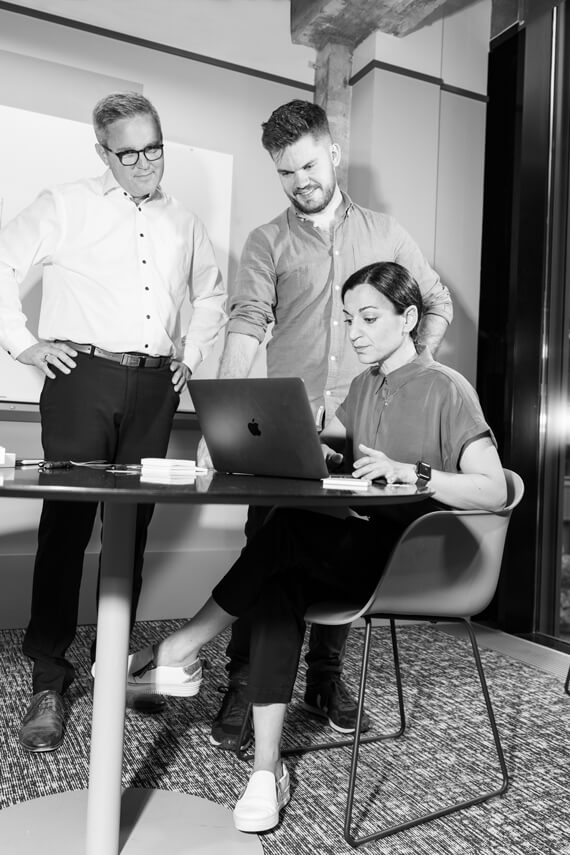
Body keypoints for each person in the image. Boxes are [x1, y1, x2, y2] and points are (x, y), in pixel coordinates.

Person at [127, 261, 506, 833]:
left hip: (415, 561)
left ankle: (181, 647)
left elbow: (494, 488)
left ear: (408, 318)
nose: (354, 331)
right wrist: (306, 443)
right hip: (358, 549)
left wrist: (415, 473)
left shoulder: (448, 389)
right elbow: (347, 448)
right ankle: (265, 769)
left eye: (369, 318)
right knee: (281, 577)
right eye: (349, 318)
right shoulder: (363, 384)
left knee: (286, 532)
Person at [199, 99, 454, 751]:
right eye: (286, 173)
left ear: (333, 152)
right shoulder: (267, 240)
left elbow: (436, 300)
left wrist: (412, 368)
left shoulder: (388, 234)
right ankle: (246, 676)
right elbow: (247, 320)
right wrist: (217, 416)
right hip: (291, 432)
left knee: (343, 550)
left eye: (308, 165)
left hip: (365, 429)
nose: (300, 181)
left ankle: (325, 678)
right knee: (269, 552)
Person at [0, 92, 226, 752]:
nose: (147, 164)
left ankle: (114, 661)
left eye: (155, 148)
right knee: (66, 526)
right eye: (130, 154)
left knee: (132, 528)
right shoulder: (66, 203)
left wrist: (195, 349)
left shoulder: (184, 221)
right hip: (82, 379)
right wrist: (24, 343)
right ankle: (49, 675)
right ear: (104, 153)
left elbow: (210, 294)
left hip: (157, 384)